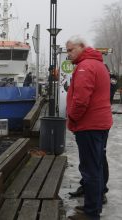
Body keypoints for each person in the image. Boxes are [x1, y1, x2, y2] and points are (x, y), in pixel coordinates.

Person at [66, 35, 113, 220]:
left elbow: (80, 101)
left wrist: (72, 118)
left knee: (90, 169)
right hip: (101, 123)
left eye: (71, 50)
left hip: (89, 125)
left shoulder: (85, 67)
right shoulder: (98, 64)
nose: (69, 54)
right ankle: (95, 204)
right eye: (67, 50)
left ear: (82, 47)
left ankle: (91, 213)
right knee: (98, 165)